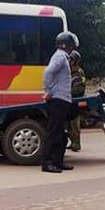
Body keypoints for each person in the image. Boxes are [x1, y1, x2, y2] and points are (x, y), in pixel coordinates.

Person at [42, 31, 78, 173]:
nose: (73, 49)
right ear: (68, 45)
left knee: (60, 133)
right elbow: (48, 72)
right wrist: (49, 90)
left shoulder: (62, 57)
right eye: (72, 46)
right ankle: (47, 163)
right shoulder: (60, 57)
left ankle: (57, 161)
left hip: (62, 100)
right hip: (57, 100)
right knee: (53, 132)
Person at [66, 50, 86, 152]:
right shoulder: (67, 70)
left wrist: (72, 93)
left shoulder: (79, 72)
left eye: (71, 59)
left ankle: (77, 144)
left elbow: (80, 87)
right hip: (67, 99)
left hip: (76, 99)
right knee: (67, 123)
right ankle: (72, 141)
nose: (69, 61)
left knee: (75, 123)